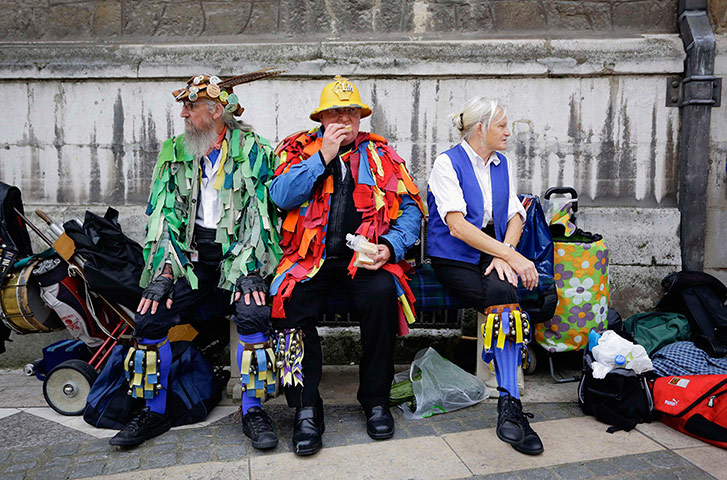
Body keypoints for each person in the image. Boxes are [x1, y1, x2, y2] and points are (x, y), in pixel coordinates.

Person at [109, 70, 284, 450]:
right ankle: (154, 412)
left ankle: (253, 411)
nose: (185, 115)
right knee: (149, 315)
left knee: (254, 313)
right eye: (185, 107)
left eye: (191, 107)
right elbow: (162, 216)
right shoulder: (175, 150)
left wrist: (250, 268)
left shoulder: (255, 150)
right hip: (190, 259)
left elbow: (262, 216)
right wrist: (165, 270)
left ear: (217, 111)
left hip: (239, 257)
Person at [269, 75, 423, 456]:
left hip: (364, 262)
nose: (344, 119)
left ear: (361, 117)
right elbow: (281, 197)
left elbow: (410, 212)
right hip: (309, 261)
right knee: (287, 305)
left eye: (351, 112)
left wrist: (390, 246)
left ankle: (375, 399)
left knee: (384, 295)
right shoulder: (297, 149)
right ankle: (305, 408)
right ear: (321, 118)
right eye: (335, 112)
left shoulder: (382, 155)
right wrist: (322, 156)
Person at [426, 96, 544, 455]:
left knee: (505, 295)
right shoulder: (447, 163)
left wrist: (505, 256)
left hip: (491, 255)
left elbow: (514, 215)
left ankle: (509, 406)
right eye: (502, 125)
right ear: (481, 129)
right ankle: (510, 403)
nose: (509, 132)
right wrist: (508, 254)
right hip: (454, 258)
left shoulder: (501, 163)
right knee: (503, 300)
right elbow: (458, 226)